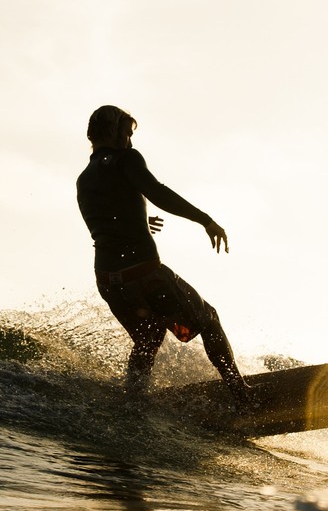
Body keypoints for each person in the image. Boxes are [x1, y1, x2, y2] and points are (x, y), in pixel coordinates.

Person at [77, 105, 250, 403]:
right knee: (208, 319)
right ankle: (240, 392)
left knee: (148, 338)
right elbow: (156, 191)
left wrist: (138, 221)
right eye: (127, 134)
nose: (130, 142)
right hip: (143, 275)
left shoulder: (85, 177)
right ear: (116, 132)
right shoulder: (125, 159)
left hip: (108, 280)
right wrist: (205, 219)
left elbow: (105, 223)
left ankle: (133, 401)